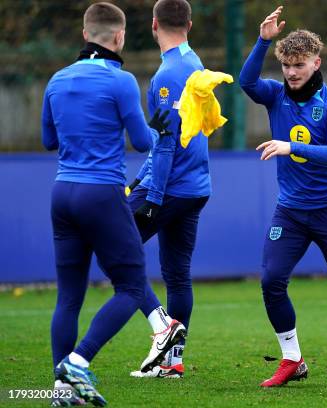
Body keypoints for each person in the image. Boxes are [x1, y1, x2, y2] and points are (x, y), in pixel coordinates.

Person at [41, 2, 172, 406]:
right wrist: (159, 128)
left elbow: (49, 141)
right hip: (102, 193)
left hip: (63, 193)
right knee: (132, 287)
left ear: (84, 34)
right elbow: (141, 141)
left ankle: (63, 391)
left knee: (68, 298)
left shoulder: (57, 80)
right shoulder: (122, 81)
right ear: (119, 37)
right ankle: (78, 364)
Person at [239, 6, 327, 389]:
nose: (291, 72)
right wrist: (263, 42)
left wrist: (290, 147)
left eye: (299, 65)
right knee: (271, 280)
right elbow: (247, 82)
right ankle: (292, 360)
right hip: (291, 212)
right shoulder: (276, 95)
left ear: (317, 62)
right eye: (286, 65)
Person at [125, 0, 210, 379]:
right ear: (190, 24)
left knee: (116, 251)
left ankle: (162, 328)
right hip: (195, 185)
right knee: (177, 274)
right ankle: (172, 364)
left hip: (171, 187)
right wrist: (140, 179)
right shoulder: (196, 65)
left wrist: (152, 196)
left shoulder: (166, 74)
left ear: (154, 24)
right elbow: (180, 134)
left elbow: (164, 143)